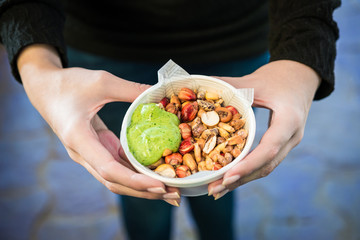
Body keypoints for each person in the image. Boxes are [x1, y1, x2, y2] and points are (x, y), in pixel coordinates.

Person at [0, 0, 340, 239]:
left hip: (235, 39)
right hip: (105, 45)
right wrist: (39, 71)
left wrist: (302, 57)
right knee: (139, 186)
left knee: (220, 185)